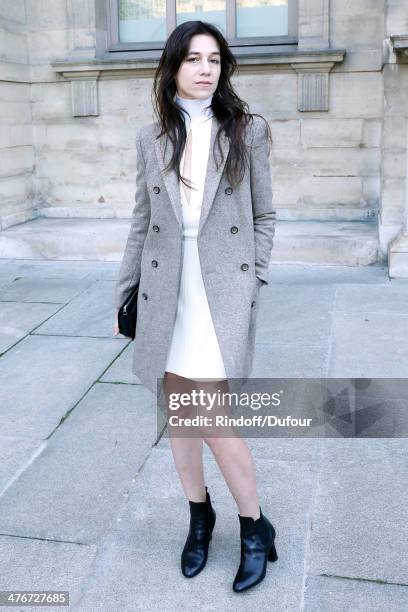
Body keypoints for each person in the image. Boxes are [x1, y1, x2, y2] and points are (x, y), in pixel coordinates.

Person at [114, 20, 277, 593]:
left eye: (214, 59)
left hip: (220, 293)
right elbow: (142, 220)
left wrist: (252, 280)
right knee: (179, 414)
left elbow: (264, 215)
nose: (206, 69)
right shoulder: (150, 136)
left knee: (209, 418)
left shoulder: (247, 131)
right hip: (167, 291)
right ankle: (198, 515)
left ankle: (255, 528)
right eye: (194, 59)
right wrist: (126, 292)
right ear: (173, 68)